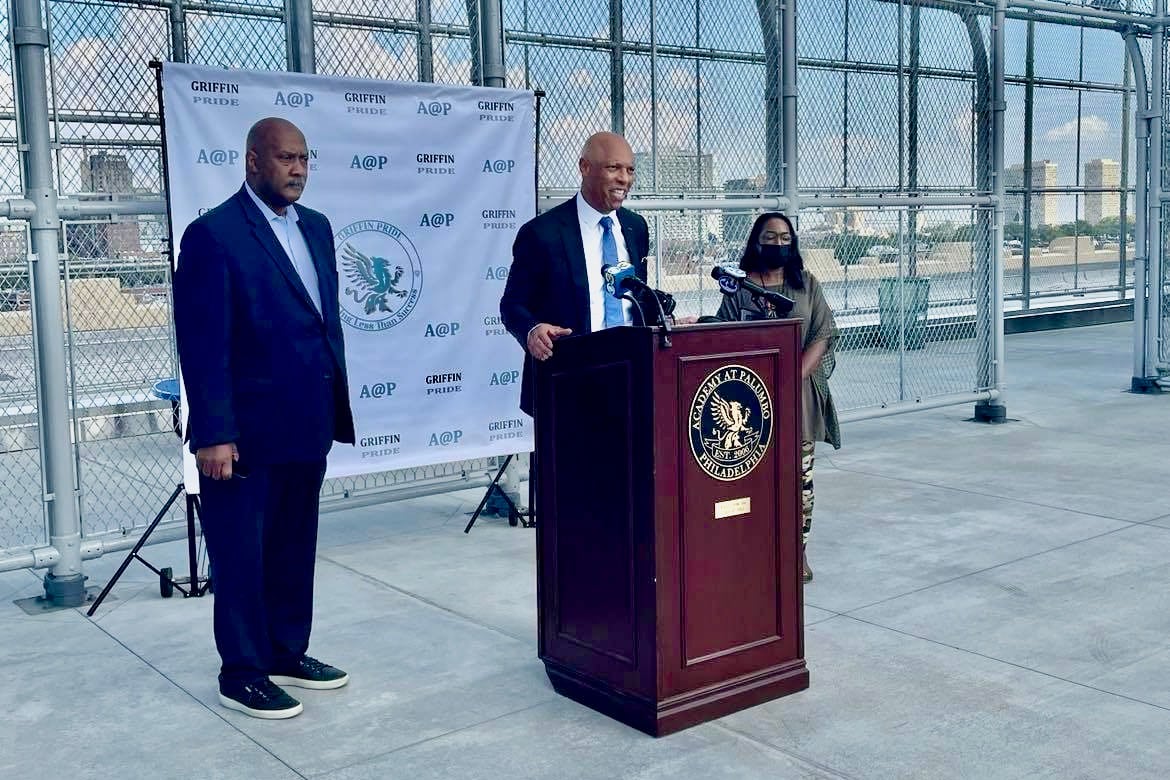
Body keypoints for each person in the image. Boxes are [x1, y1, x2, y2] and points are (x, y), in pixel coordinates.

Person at [173, 117, 355, 719]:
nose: (297, 169)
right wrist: (215, 433)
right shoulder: (215, 236)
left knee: (293, 546)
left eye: (304, 158)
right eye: (285, 158)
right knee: (241, 553)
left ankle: (285, 650)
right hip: (244, 434)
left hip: (306, 423)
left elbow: (319, 322)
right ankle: (243, 670)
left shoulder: (319, 229)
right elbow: (204, 346)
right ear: (253, 162)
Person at [714, 212, 840, 583]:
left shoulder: (807, 285)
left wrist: (792, 376)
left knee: (799, 482)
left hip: (796, 398)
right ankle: (754, 554)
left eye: (786, 238)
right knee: (753, 483)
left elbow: (822, 332)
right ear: (757, 241)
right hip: (751, 403)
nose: (779, 244)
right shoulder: (741, 288)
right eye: (771, 237)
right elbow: (724, 334)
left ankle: (797, 553)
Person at [500, 131, 650, 416]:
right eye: (613, 168)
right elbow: (512, 305)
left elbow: (637, 294)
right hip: (566, 382)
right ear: (585, 167)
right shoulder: (542, 233)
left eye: (630, 170)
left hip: (631, 378)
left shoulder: (636, 227)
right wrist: (533, 330)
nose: (624, 179)